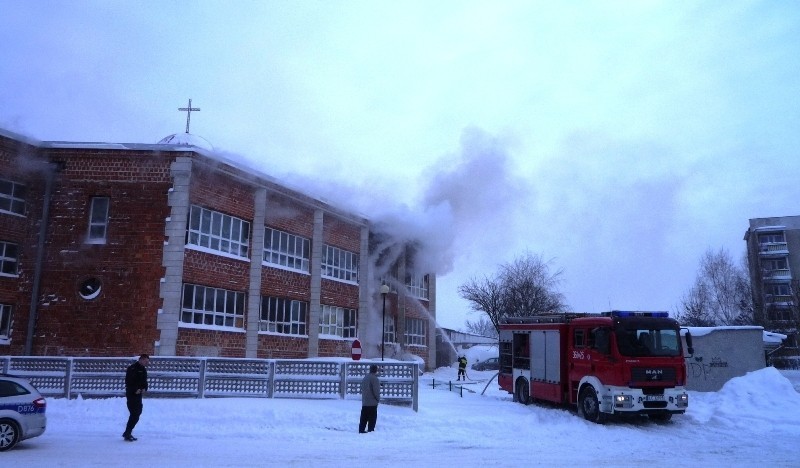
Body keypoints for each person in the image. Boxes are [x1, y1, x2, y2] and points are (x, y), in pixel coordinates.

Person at [122, 353, 149, 441]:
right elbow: (129, 382)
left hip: (139, 395)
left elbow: (144, 381)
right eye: (145, 361)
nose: (147, 363)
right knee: (134, 414)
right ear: (140, 360)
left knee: (137, 413)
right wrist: (135, 389)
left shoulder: (143, 369)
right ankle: (127, 433)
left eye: (148, 361)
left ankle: (128, 432)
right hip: (131, 394)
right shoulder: (132, 368)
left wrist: (145, 388)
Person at [359, 364, 380, 433]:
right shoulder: (375, 379)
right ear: (376, 370)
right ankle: (370, 430)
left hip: (365, 402)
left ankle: (361, 429)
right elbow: (376, 391)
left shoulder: (365, 378)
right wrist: (378, 399)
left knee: (364, 417)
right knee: (372, 419)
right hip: (372, 402)